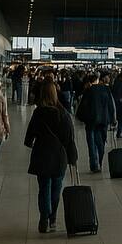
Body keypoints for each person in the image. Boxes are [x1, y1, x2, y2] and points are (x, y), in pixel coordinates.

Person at [24, 80, 77, 233]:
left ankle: (44, 217)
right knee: (56, 187)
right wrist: (72, 157)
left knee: (44, 188)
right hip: (59, 156)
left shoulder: (38, 113)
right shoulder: (63, 113)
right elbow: (69, 138)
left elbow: (30, 136)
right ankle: (52, 217)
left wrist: (32, 142)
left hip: (42, 154)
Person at [76, 72, 116, 174]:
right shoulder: (106, 89)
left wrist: (82, 118)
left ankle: (94, 164)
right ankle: (100, 161)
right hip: (103, 120)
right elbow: (111, 105)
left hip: (91, 121)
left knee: (91, 143)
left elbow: (82, 107)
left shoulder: (88, 91)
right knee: (101, 142)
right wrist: (113, 119)